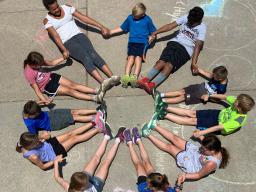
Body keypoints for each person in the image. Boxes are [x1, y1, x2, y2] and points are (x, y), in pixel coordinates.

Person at [42, 0, 119, 84]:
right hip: (68, 43)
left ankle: (113, 77)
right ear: (48, 9)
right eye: (54, 9)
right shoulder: (47, 20)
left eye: (57, 6)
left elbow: (83, 18)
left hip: (80, 36)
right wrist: (64, 50)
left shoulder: (67, 8)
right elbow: (56, 37)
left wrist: (101, 27)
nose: (57, 9)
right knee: (85, 58)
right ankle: (103, 82)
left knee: (93, 54)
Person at [138, 7, 206, 94]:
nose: (190, 22)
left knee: (169, 66)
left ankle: (152, 86)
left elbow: (198, 46)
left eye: (193, 22)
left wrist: (194, 63)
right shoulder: (187, 17)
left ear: (199, 20)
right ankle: (145, 80)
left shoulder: (202, 28)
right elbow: (170, 25)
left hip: (185, 50)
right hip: (174, 43)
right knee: (161, 61)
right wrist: (155, 32)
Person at [141, 124, 229, 183]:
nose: (201, 148)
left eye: (203, 148)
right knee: (175, 138)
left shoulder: (211, 164)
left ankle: (147, 134)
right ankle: (155, 126)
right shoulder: (213, 147)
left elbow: (198, 175)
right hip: (196, 154)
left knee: (170, 147)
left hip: (192, 164)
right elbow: (205, 143)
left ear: (212, 151)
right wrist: (200, 136)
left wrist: (185, 176)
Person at [16, 119, 108, 170]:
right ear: (30, 146)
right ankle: (98, 129)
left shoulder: (25, 142)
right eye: (36, 142)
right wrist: (55, 161)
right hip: (54, 154)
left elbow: (39, 139)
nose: (38, 141)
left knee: (70, 133)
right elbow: (43, 167)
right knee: (74, 139)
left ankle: (94, 122)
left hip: (48, 144)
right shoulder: (33, 157)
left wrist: (45, 137)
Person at [53, 127, 125, 191]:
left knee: (95, 158)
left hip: (82, 178)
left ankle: (107, 137)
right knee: (106, 163)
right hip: (95, 186)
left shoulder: (69, 187)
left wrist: (56, 161)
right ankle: (118, 140)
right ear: (82, 188)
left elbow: (57, 178)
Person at [153, 94, 255, 138]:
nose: (234, 100)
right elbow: (224, 97)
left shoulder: (239, 120)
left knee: (192, 121)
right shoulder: (238, 102)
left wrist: (202, 132)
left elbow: (219, 127)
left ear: (239, 108)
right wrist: (209, 95)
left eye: (236, 102)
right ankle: (165, 107)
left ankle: (164, 115)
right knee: (193, 113)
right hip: (217, 114)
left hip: (217, 124)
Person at [24, 52, 103, 104]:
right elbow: (36, 90)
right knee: (70, 91)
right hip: (47, 86)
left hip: (51, 76)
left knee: (73, 85)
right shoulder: (29, 73)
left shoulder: (37, 60)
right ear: (32, 64)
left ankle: (95, 91)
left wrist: (63, 58)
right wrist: (44, 100)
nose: (41, 65)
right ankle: (94, 98)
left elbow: (51, 63)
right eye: (39, 65)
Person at [109, 3, 156, 88]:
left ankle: (134, 77)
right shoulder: (130, 17)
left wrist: (152, 38)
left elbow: (153, 32)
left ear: (143, 14)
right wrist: (111, 32)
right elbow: (122, 28)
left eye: (136, 16)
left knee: (138, 59)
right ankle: (126, 77)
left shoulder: (147, 20)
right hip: (132, 42)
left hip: (142, 43)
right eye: (133, 15)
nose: (134, 17)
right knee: (130, 58)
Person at [122, 127, 181, 192]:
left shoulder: (144, 188)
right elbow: (177, 190)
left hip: (142, 183)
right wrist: (178, 185)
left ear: (150, 186)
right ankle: (137, 140)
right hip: (155, 183)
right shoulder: (167, 189)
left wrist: (178, 185)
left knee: (139, 164)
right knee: (146, 163)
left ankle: (130, 143)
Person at [22, 100, 103, 135]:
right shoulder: (29, 124)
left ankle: (97, 110)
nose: (38, 114)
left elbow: (35, 102)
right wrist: (43, 136)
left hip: (50, 114)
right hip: (52, 123)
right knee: (73, 117)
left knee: (73, 111)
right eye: (37, 115)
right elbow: (33, 135)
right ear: (30, 115)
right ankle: (96, 119)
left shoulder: (28, 107)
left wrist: (44, 101)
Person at [158, 66, 228, 105]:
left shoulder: (222, 88)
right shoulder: (217, 76)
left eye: (215, 76)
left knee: (183, 97)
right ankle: (161, 95)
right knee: (182, 91)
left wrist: (208, 98)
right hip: (200, 86)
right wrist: (199, 70)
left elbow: (218, 98)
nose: (213, 76)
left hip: (201, 95)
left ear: (220, 79)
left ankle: (162, 101)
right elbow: (209, 75)